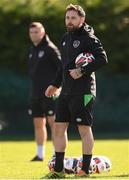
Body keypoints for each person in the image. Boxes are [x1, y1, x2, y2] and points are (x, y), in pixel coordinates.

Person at [45, 3, 108, 178]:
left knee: (84, 129)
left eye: (73, 18)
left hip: (84, 92)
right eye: (67, 17)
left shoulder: (89, 38)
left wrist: (82, 71)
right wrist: (55, 84)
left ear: (82, 19)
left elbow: (103, 59)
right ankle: (58, 170)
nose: (69, 21)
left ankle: (84, 171)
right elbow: (62, 67)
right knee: (58, 129)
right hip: (66, 92)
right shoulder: (66, 38)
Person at [27, 22, 62, 161]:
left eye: (37, 32)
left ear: (43, 32)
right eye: (31, 32)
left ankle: (56, 154)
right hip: (35, 94)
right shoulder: (31, 50)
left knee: (54, 124)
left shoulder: (50, 49)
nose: (34, 34)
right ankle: (40, 154)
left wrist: (57, 87)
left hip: (50, 94)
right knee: (38, 124)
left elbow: (62, 68)